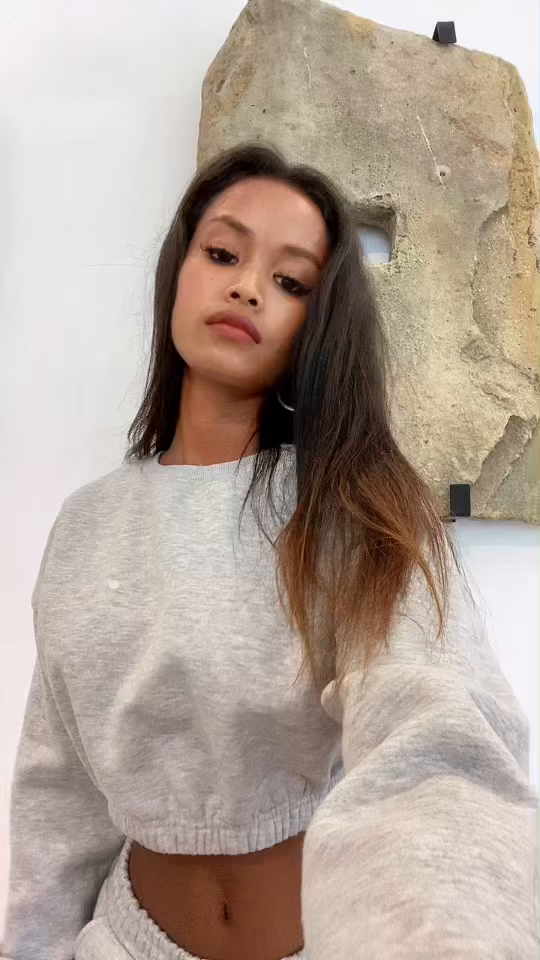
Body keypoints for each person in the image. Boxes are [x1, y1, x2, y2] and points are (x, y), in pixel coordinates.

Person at [2, 143, 537, 960]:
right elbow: (57, 793)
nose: (248, 286)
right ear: (179, 271)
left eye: (290, 282)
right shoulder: (87, 525)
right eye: (223, 254)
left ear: (316, 327)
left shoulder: (355, 507)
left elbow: (437, 732)